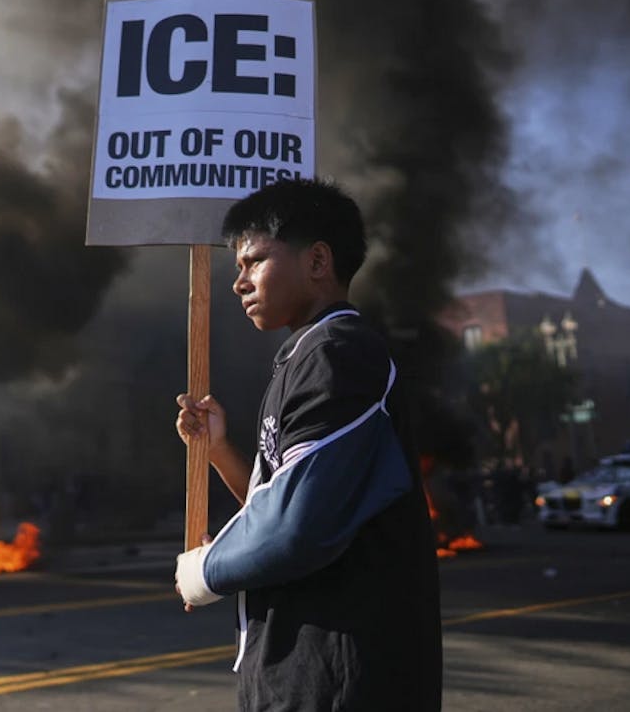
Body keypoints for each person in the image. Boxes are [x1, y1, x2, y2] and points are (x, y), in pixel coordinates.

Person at [172, 179, 442, 711]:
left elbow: (297, 526)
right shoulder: (305, 355)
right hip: (303, 671)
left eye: (253, 261)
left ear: (318, 260)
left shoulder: (339, 353)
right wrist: (221, 451)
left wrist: (202, 572)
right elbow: (287, 498)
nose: (238, 283)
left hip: (338, 678)